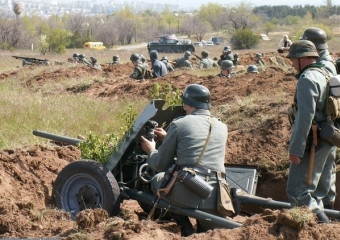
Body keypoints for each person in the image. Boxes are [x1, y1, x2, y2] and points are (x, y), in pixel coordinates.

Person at [141, 84, 228, 237]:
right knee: (207, 233)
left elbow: (160, 164)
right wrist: (169, 138)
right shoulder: (222, 126)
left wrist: (151, 150)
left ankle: (185, 226)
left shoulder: (180, 124)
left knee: (157, 180)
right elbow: (198, 146)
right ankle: (200, 225)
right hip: (216, 195)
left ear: (187, 103)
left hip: (189, 191)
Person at [286, 40, 335, 223]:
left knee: (298, 192)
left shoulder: (307, 79)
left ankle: (324, 229)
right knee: (320, 191)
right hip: (327, 137)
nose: (291, 63)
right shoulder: (325, 72)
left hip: (313, 141)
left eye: (293, 59)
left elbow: (304, 117)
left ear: (302, 58)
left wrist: (296, 148)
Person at [301, 27, 337, 210]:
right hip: (330, 129)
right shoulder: (329, 63)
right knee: (327, 177)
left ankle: (324, 222)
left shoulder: (320, 67)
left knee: (316, 184)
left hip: (321, 129)